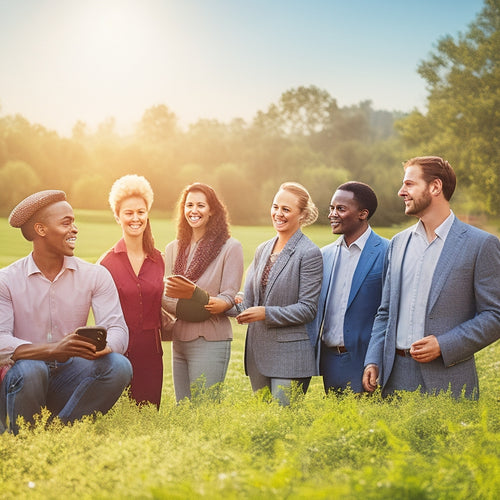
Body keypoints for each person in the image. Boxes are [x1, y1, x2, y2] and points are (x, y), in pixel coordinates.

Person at [362, 156, 500, 399]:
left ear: (435, 187)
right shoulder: (398, 244)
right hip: (393, 379)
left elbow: (494, 315)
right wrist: (373, 359)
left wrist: (445, 344)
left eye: (409, 184)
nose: (400, 192)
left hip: (449, 380)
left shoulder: (481, 245)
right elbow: (385, 311)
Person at [0, 190, 132, 434]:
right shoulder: (6, 280)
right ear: (41, 230)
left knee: (119, 365)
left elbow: (117, 329)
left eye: (74, 221)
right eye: (66, 222)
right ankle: (24, 439)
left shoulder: (95, 275)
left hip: (71, 374)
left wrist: (105, 346)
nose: (75, 229)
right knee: (33, 367)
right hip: (22, 378)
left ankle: (60, 433)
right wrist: (53, 349)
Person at [237, 182, 323, 405]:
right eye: (275, 207)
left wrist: (266, 313)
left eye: (286, 209)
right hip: (258, 355)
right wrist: (207, 301)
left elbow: (308, 309)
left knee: (283, 427)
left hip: (291, 356)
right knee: (265, 426)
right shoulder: (263, 249)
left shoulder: (309, 253)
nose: (278, 213)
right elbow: (247, 303)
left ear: (302, 215)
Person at [163, 183, 244, 402]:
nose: (194, 210)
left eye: (200, 205)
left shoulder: (230, 247)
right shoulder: (173, 249)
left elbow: (227, 297)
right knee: (183, 408)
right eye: (189, 205)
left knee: (204, 409)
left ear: (213, 211)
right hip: (180, 339)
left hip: (211, 339)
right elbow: (167, 297)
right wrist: (203, 301)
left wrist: (202, 299)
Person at [307, 182, 388, 394]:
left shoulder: (388, 251)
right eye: (331, 208)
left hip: (367, 362)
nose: (332, 214)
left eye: (340, 209)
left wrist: (376, 360)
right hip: (330, 362)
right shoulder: (325, 255)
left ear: (363, 214)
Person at [99, 175, 164, 409]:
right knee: (118, 417)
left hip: (152, 353)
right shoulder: (106, 264)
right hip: (118, 351)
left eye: (141, 212)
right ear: (118, 217)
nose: (135, 218)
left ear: (147, 214)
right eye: (128, 213)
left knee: (146, 418)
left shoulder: (160, 261)